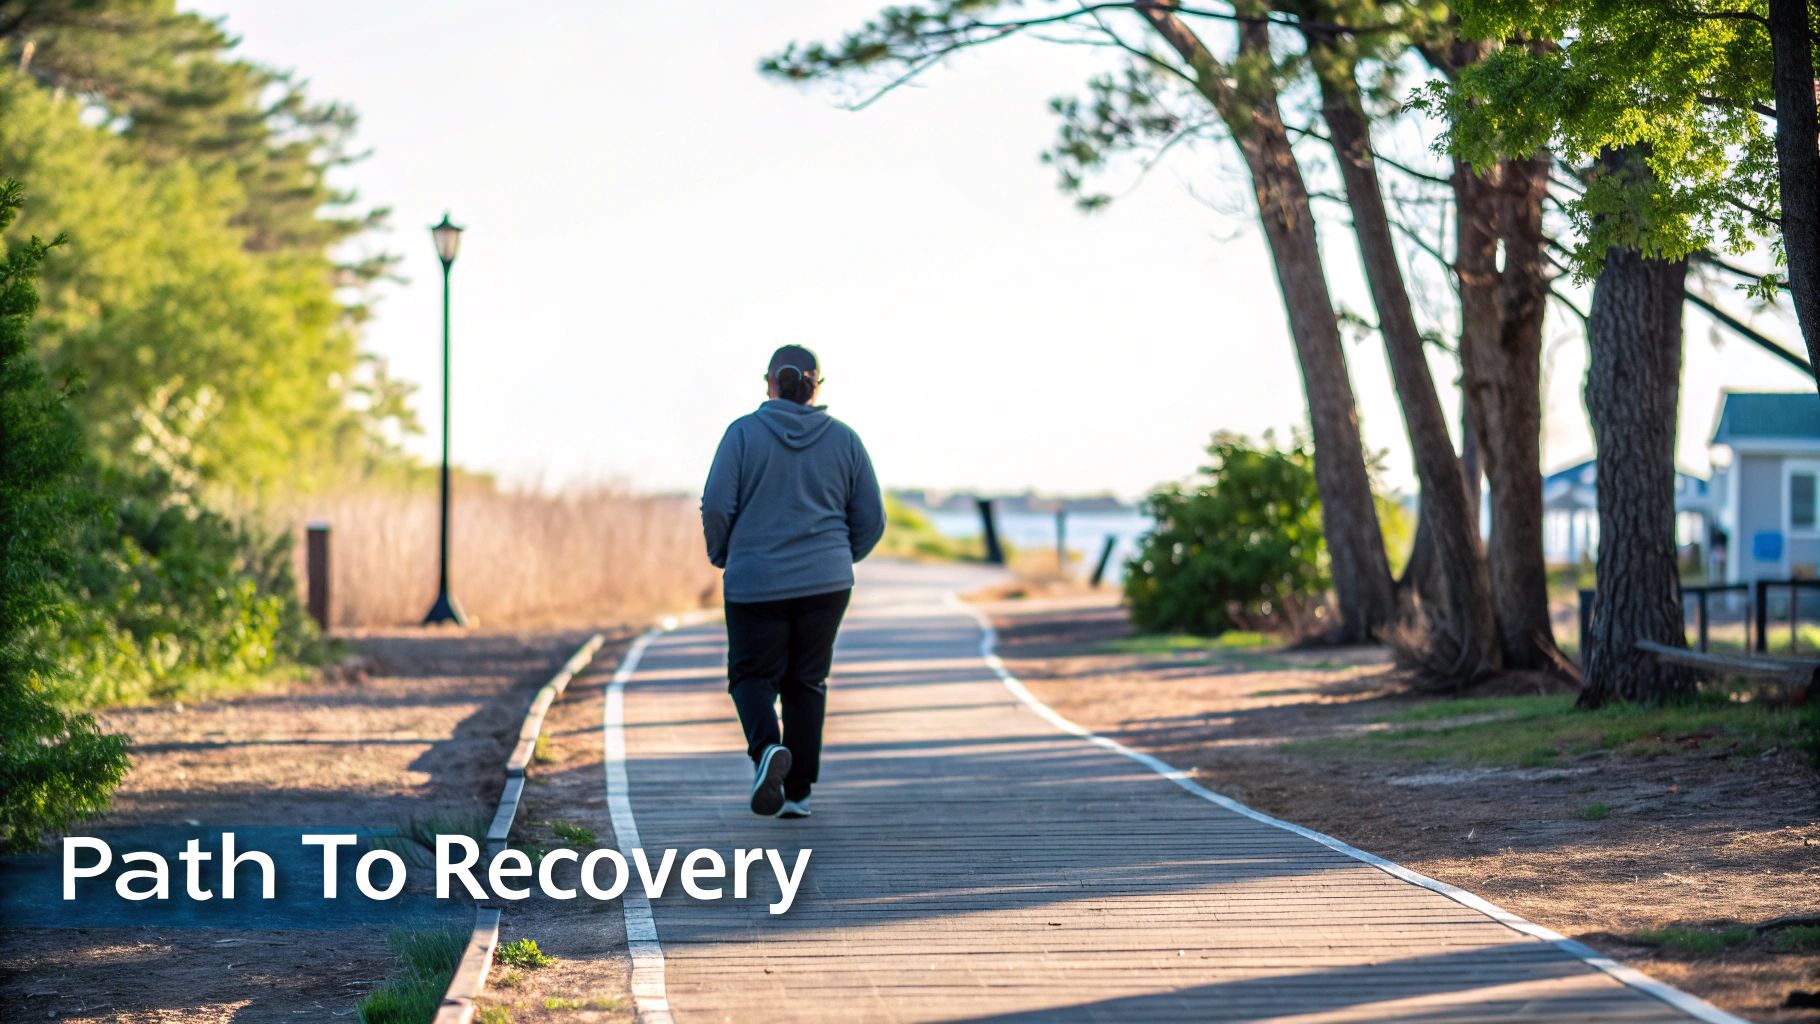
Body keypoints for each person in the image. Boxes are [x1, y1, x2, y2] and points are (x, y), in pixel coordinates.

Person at [701, 345, 885, 818]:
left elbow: (717, 505)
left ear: (770, 382)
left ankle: (767, 749)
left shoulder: (742, 434)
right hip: (826, 583)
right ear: (816, 386)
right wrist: (838, 559)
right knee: (807, 681)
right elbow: (872, 518)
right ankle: (798, 793)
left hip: (755, 579)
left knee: (751, 676)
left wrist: (724, 554)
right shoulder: (845, 440)